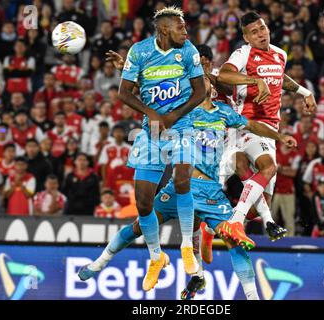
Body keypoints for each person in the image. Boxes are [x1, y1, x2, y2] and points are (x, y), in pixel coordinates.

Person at [77, 75, 297, 299]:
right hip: (180, 188)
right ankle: (100, 262)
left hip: (210, 190)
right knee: (139, 226)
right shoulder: (181, 111)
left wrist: (280, 136)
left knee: (233, 239)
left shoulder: (223, 112)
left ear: (211, 87)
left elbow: (251, 125)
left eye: (205, 81)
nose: (202, 85)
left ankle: (252, 296)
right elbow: (152, 101)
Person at [115, 6, 206, 290]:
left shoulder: (188, 51)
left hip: (183, 126)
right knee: (143, 202)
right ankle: (156, 257)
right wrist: (151, 113)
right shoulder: (139, 52)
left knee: (182, 179)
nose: (186, 32)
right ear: (165, 29)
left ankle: (188, 247)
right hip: (151, 131)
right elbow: (123, 92)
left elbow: (201, 91)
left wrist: (173, 116)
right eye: (181, 27)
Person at [216, 11, 316, 247]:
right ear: (246, 37)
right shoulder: (244, 53)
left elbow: (281, 78)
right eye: (254, 32)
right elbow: (224, 74)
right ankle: (235, 221)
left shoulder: (280, 54)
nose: (260, 34)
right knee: (268, 168)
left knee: (261, 204)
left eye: (262, 29)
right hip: (248, 125)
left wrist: (305, 92)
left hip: (270, 129)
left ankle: (227, 220)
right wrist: (253, 80)